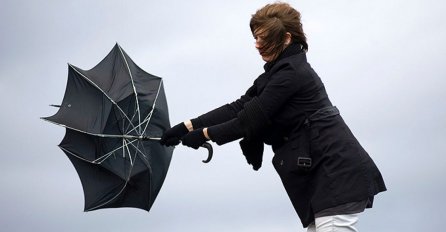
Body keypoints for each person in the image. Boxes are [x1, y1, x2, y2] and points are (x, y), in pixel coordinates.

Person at [160, 2, 386, 231]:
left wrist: (204, 135)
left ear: (286, 38)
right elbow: (238, 108)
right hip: (324, 177)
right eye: (255, 37)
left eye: (262, 38)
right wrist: (186, 127)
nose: (256, 45)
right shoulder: (276, 74)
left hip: (336, 174)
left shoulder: (292, 74)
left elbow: (248, 121)